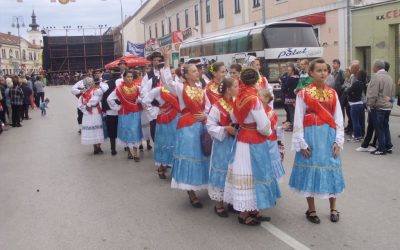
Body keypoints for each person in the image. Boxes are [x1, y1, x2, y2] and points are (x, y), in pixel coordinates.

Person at [289, 58, 345, 224]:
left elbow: (339, 118)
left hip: (328, 136)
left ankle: (333, 208)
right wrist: (302, 142)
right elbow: (298, 119)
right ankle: (311, 209)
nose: (323, 73)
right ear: (311, 73)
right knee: (310, 171)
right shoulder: (303, 93)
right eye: (319, 70)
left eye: (325, 70)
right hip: (311, 136)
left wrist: (338, 141)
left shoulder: (333, 93)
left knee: (331, 168)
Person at [224, 68, 280, 226]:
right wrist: (268, 130)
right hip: (254, 140)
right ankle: (244, 214)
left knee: (245, 173)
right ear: (256, 81)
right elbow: (263, 125)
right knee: (255, 173)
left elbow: (234, 116)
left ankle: (251, 209)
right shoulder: (254, 98)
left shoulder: (239, 96)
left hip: (242, 139)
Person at [160, 47, 209, 208]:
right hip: (187, 128)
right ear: (186, 75)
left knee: (201, 157)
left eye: (197, 71)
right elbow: (167, 81)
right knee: (190, 157)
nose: (197, 73)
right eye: (193, 71)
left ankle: (199, 184)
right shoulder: (181, 88)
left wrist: (206, 116)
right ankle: (191, 192)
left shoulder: (201, 89)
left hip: (201, 126)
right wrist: (167, 60)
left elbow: (207, 107)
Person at [206, 77, 238, 217]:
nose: (238, 89)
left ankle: (231, 200)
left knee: (234, 170)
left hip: (237, 142)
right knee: (222, 169)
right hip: (223, 144)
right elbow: (210, 126)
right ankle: (218, 204)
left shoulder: (238, 103)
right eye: (236, 86)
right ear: (228, 89)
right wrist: (225, 128)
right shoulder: (217, 106)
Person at [142, 85, 181, 179]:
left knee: (176, 143)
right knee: (165, 143)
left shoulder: (177, 87)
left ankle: (175, 168)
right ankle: (161, 167)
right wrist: (156, 111)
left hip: (176, 117)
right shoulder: (158, 90)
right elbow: (145, 101)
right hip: (164, 119)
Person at [107, 70, 143, 161]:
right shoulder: (119, 88)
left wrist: (138, 101)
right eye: (128, 77)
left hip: (135, 111)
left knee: (135, 130)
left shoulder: (137, 87)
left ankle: (135, 152)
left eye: (131, 77)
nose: (130, 78)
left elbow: (143, 97)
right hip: (124, 112)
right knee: (127, 130)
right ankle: (129, 152)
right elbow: (109, 99)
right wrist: (118, 107)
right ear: (124, 78)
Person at [366, 59, 394, 155]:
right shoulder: (389, 77)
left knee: (379, 128)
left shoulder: (376, 77)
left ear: (376, 67)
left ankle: (381, 148)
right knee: (385, 126)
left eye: (373, 66)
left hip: (379, 106)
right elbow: (391, 92)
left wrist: (370, 105)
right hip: (387, 106)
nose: (372, 68)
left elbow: (373, 94)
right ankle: (388, 146)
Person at [259, 89, 287, 182]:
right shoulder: (256, 111)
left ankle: (271, 184)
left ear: (267, 99)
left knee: (271, 163)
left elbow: (274, 128)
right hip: (259, 141)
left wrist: (281, 128)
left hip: (270, 142)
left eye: (260, 96)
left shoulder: (272, 112)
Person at [78, 77, 108, 154]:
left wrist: (86, 107)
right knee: (96, 129)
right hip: (92, 112)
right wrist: (87, 107)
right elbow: (81, 104)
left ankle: (97, 146)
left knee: (96, 129)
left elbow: (80, 105)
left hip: (93, 112)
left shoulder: (91, 91)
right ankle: (97, 146)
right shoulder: (89, 92)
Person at [141, 51, 164, 143]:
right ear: (152, 62)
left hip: (168, 107)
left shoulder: (167, 72)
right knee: (154, 127)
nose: (157, 62)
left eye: (159, 60)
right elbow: (143, 92)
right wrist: (150, 106)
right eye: (154, 60)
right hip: (155, 107)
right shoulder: (149, 75)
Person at [102, 71, 120, 156]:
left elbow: (103, 98)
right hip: (122, 110)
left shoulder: (106, 84)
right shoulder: (122, 83)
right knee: (124, 129)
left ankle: (113, 148)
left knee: (112, 131)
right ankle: (127, 147)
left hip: (110, 111)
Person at [346, 70, 367, 142]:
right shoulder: (363, 84)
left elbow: (348, 91)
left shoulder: (356, 83)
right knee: (359, 121)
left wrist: (350, 93)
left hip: (354, 104)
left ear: (359, 75)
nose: (356, 75)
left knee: (355, 122)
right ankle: (360, 136)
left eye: (358, 74)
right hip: (360, 103)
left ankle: (356, 136)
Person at [281, 63, 299, 130]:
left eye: (289, 70)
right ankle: (296, 126)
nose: (287, 72)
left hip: (290, 98)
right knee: (296, 113)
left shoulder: (290, 79)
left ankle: (294, 127)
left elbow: (284, 88)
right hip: (297, 97)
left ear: (293, 71)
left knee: (292, 113)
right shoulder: (298, 77)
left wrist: (285, 89)